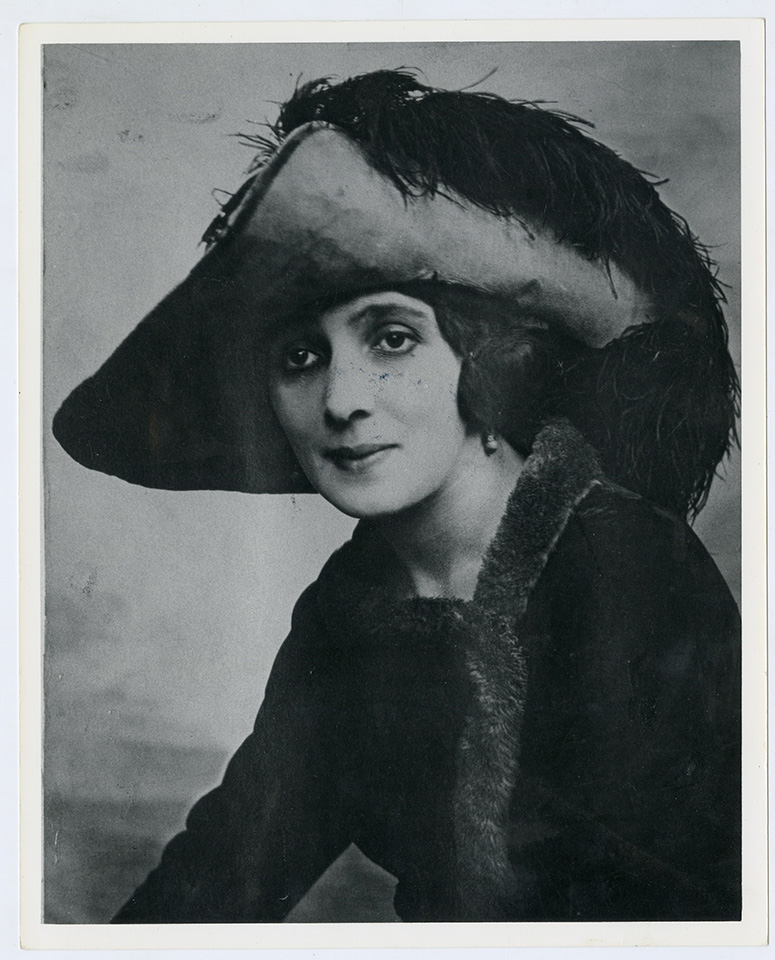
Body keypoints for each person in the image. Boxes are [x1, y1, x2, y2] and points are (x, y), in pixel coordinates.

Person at [53, 70, 741, 922]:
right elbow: (228, 864)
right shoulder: (348, 613)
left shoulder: (627, 563)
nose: (341, 400)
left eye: (390, 338)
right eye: (299, 358)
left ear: (486, 362)